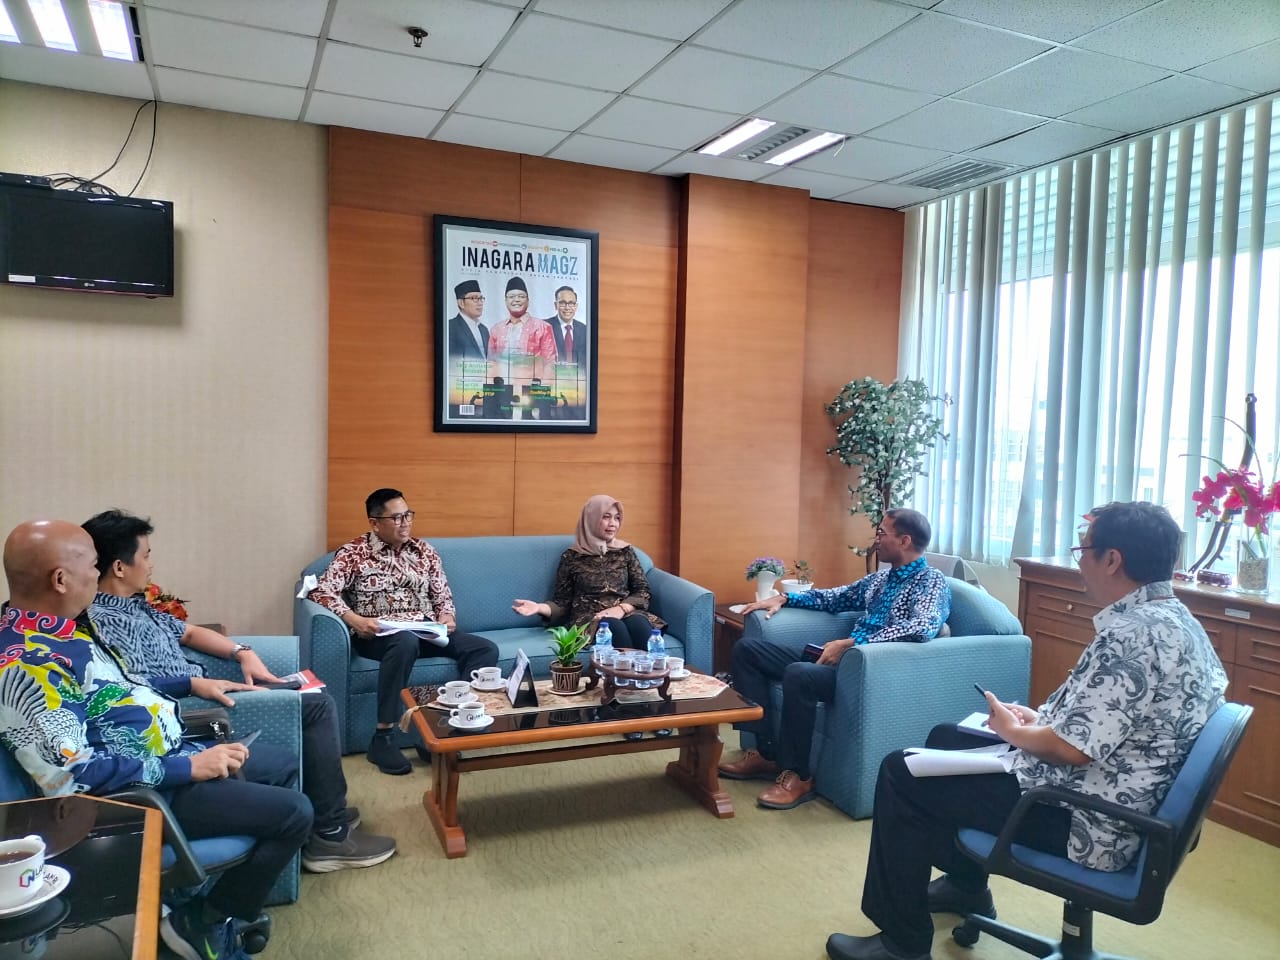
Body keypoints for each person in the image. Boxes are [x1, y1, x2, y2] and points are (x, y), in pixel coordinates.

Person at [825, 501, 1228, 960]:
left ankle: (903, 942)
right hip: (1117, 794)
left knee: (901, 773)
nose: (1079, 562)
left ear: (1113, 560)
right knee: (945, 738)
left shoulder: (1132, 637)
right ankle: (966, 886)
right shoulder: (1175, 620)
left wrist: (1013, 732)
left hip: (1091, 820)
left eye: (1084, 550)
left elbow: (1071, 749)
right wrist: (1037, 720)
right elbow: (1116, 723)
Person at [0, 520, 309, 960]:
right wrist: (188, 767)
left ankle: (199, 901)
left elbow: (118, 688)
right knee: (295, 813)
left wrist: (188, 684)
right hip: (137, 795)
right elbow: (72, 777)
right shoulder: (30, 663)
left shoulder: (59, 630)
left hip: (168, 757)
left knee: (280, 765)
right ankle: (202, 920)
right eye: (92, 564)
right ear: (61, 579)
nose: (98, 573)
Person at [81, 509, 396, 873]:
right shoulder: (102, 624)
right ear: (120, 567)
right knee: (316, 706)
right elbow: (126, 690)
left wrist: (241, 652)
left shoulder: (135, 607)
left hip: (205, 689)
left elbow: (189, 632)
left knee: (306, 686)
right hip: (190, 708)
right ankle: (330, 833)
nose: (151, 564)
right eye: (146, 555)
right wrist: (193, 683)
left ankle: (325, 807)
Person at [719, 508, 951, 811]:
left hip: (868, 672)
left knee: (799, 674)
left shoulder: (930, 582)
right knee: (747, 650)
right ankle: (767, 754)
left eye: (882, 533)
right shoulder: (881, 579)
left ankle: (799, 776)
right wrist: (785, 597)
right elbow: (834, 597)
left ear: (905, 540)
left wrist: (853, 643)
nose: (876, 539)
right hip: (840, 659)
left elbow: (922, 627)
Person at [308, 488, 498, 775]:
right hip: (378, 634)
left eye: (408, 515)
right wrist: (354, 619)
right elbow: (321, 591)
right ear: (375, 523)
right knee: (405, 642)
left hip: (425, 629)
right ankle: (382, 738)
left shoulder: (424, 551)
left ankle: (445, 726)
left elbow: (442, 595)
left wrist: (446, 615)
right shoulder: (353, 553)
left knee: (484, 649)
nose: (405, 523)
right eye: (396, 518)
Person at [511, 494, 666, 650]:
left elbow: (642, 591)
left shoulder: (625, 551)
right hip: (591, 619)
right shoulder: (571, 557)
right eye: (606, 517)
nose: (613, 523)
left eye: (617, 518)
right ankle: (623, 666)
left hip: (624, 611)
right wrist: (539, 608)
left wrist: (621, 609)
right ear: (591, 519)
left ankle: (652, 666)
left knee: (640, 625)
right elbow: (562, 602)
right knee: (614, 628)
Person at [487, 276, 557, 381]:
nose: (516, 300)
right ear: (505, 301)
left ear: (528, 301)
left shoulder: (542, 327)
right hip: (502, 388)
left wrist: (543, 389)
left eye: (521, 296)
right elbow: (491, 364)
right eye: (511, 296)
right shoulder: (496, 329)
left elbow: (550, 364)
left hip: (531, 388)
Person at [447, 279, 489, 360]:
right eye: (475, 298)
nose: (480, 303)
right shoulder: (450, 327)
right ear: (461, 303)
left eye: (481, 298)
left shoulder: (484, 330)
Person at [547, 285, 587, 367]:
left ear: (576, 306)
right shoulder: (545, 327)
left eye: (571, 303)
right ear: (556, 305)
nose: (567, 307)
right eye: (562, 303)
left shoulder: (584, 330)